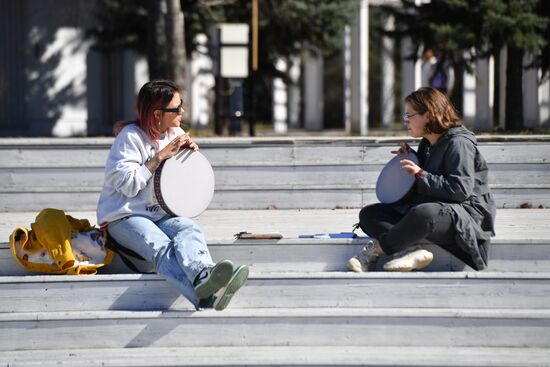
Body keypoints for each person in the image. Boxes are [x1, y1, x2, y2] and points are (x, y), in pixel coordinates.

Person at [97, 79, 248, 310]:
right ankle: (205, 297)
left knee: (189, 228)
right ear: (158, 113)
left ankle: (203, 276)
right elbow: (127, 185)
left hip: (159, 213)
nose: (182, 111)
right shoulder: (130, 138)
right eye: (176, 108)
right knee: (161, 245)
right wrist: (159, 157)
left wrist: (186, 161)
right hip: (124, 216)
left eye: (182, 105)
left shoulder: (174, 133)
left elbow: (176, 181)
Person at [347, 87, 496, 272]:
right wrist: (412, 159)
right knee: (369, 214)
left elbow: (460, 190)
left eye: (410, 115)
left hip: (465, 215)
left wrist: (420, 174)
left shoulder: (459, 143)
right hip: (436, 208)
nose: (406, 121)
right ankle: (409, 251)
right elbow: (427, 185)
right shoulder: (427, 144)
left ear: (428, 115)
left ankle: (376, 252)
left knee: (422, 213)